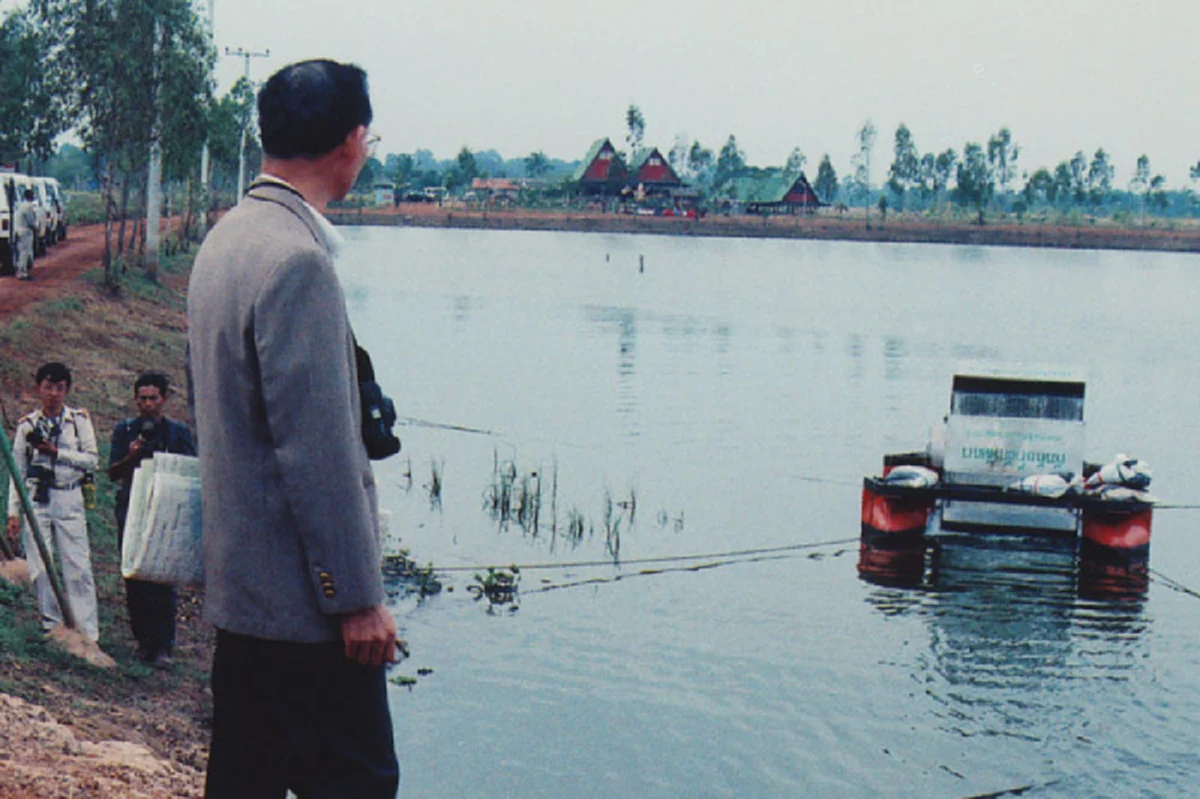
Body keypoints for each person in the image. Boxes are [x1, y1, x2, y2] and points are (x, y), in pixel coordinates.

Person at [187, 59, 401, 799]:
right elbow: (318, 453)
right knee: (360, 782)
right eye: (367, 136)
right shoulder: (299, 262)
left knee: (245, 782)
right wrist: (358, 598)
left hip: (243, 598)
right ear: (350, 141)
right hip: (307, 616)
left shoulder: (228, 239)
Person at [5, 362, 101, 640]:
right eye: (48, 387)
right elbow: (17, 471)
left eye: (59, 388)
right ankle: (53, 626)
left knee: (77, 566)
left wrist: (58, 452)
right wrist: (13, 512)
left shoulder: (78, 421)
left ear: (67, 390)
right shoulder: (27, 427)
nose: (53, 394)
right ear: (38, 389)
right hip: (38, 499)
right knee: (41, 566)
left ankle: (86, 631)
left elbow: (92, 460)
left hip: (68, 496)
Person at [107, 371, 196, 667]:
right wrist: (131, 457)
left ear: (164, 399)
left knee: (163, 577)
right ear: (135, 400)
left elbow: (192, 469)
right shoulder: (125, 430)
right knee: (134, 575)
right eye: (142, 398)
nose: (147, 404)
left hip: (167, 511)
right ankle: (143, 641)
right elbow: (112, 473)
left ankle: (163, 646)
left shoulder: (177, 433)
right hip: (132, 507)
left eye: (153, 398)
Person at [14, 187, 38, 281]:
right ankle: (22, 273)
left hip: (19, 230)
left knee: (21, 252)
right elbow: (31, 221)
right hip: (25, 231)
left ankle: (21, 271)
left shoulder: (21, 205)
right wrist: (36, 229)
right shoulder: (28, 207)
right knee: (25, 252)